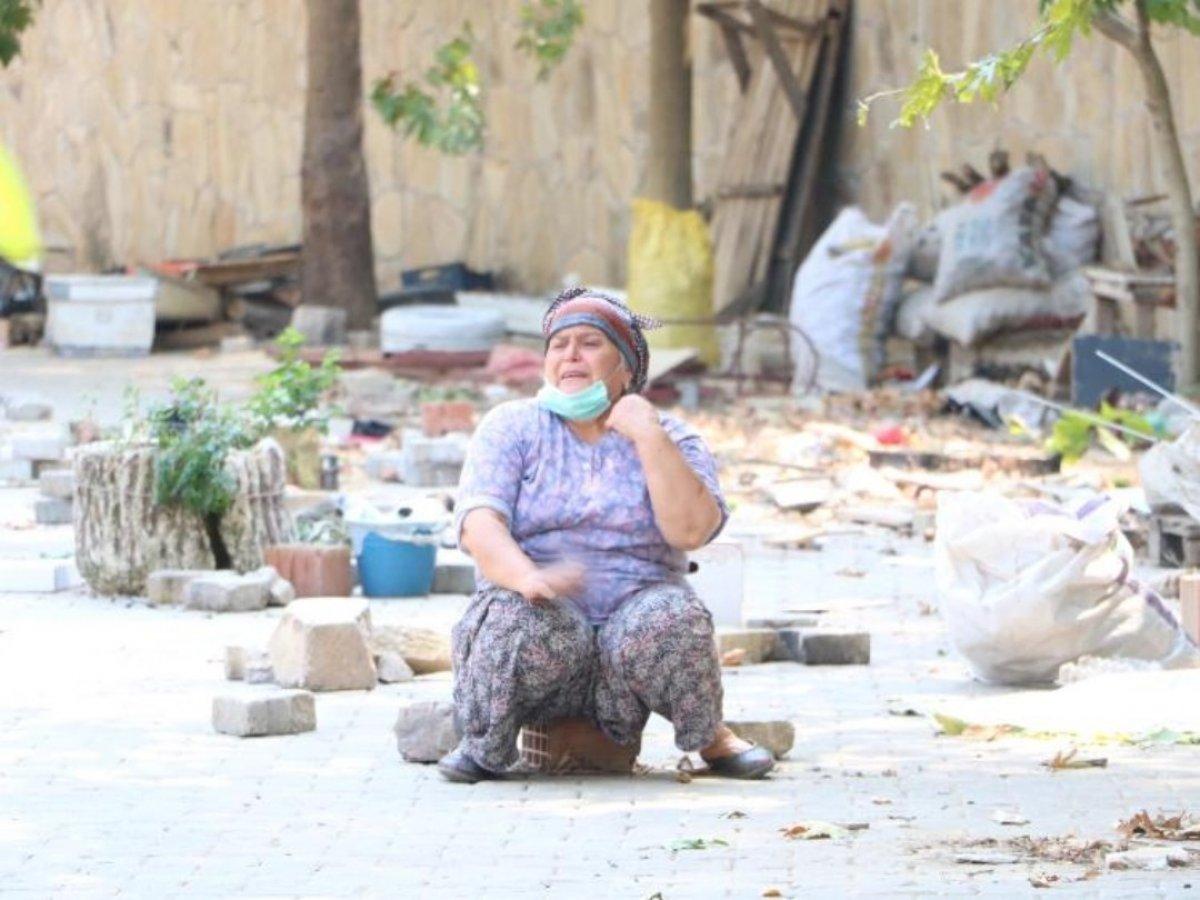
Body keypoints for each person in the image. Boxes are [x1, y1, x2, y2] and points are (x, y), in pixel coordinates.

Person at [438, 287, 774, 783]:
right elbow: (478, 524)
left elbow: (691, 530)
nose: (571, 355)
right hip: (546, 629)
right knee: (510, 615)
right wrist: (528, 577)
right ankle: (484, 743)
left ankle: (710, 737)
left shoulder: (673, 436)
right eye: (559, 344)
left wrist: (648, 436)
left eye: (590, 343)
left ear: (626, 369)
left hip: (634, 634)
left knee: (675, 617)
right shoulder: (513, 426)